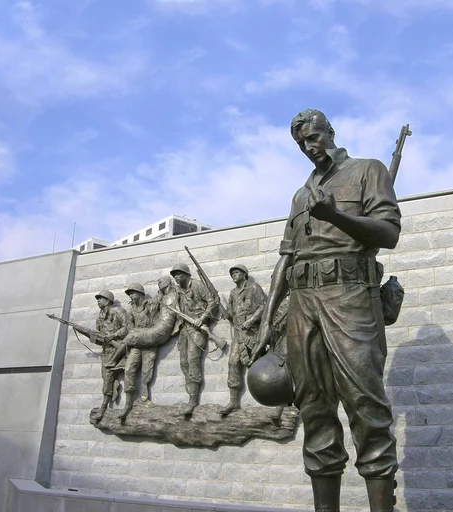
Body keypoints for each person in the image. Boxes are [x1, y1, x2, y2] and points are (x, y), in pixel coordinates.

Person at [251, 109, 401, 512]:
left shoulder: (368, 171)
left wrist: (335, 216)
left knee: (366, 407)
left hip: (350, 297)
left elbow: (389, 234)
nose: (308, 146)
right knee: (314, 410)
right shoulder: (302, 194)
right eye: (301, 143)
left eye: (314, 137)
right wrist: (267, 322)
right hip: (303, 306)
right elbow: (285, 259)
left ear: (330, 132)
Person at [219, 264, 266, 416]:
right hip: (238, 334)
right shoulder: (233, 293)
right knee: (233, 363)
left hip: (253, 332)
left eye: (236, 272)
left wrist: (251, 321)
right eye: (232, 273)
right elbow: (230, 316)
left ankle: (269, 397)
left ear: (244, 274)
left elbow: (264, 306)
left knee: (259, 364)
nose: (234, 275)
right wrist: (219, 305)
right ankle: (233, 401)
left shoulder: (253, 287)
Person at [171, 262, 217, 416]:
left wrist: (202, 319)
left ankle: (193, 400)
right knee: (183, 362)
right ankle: (190, 388)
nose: (176, 277)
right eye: (175, 275)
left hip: (198, 328)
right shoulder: (177, 290)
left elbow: (213, 302)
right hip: (185, 328)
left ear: (187, 275)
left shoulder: (197, 286)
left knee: (192, 361)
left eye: (179, 274)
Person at [117, 283, 159, 420]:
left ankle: (145, 398)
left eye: (132, 293)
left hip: (148, 343)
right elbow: (129, 329)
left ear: (140, 293)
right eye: (129, 294)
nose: (130, 296)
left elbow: (156, 324)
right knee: (129, 369)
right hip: (136, 344)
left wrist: (144, 334)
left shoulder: (151, 305)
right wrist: (137, 333)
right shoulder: (131, 310)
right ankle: (128, 403)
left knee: (147, 370)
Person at [91, 290, 128, 422]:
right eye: (98, 299)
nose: (98, 301)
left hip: (120, 351)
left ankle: (108, 407)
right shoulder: (99, 317)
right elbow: (100, 335)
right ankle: (105, 405)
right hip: (107, 352)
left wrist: (113, 336)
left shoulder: (119, 312)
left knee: (121, 377)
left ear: (107, 300)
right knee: (106, 379)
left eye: (100, 298)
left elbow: (127, 328)